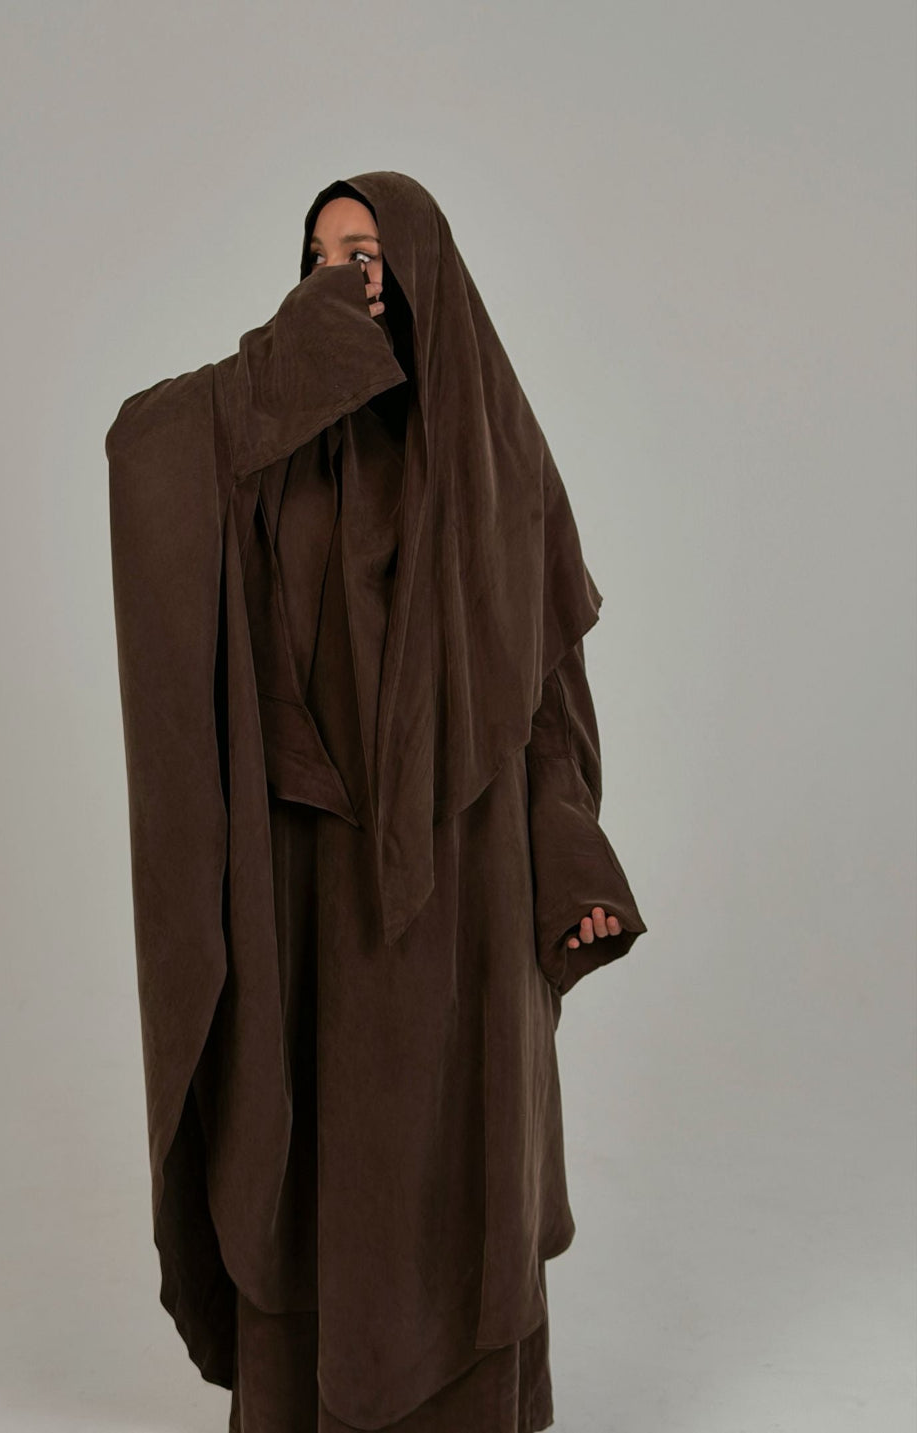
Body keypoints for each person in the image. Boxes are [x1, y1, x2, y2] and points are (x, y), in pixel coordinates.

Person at [107, 170, 648, 1433]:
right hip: (306, 885)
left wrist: (573, 870)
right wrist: (282, 365)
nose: (343, 277)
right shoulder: (267, 450)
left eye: (366, 253)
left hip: (464, 897)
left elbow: (545, 715)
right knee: (314, 1158)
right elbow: (142, 449)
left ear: (426, 275)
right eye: (317, 257)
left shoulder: (503, 469)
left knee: (456, 1164)